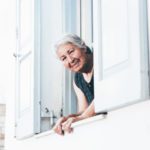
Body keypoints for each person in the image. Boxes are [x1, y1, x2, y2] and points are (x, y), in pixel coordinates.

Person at [53, 33, 95, 135]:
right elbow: (84, 111)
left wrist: (82, 117)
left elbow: (105, 95)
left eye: (71, 52)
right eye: (64, 58)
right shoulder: (77, 79)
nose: (70, 60)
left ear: (83, 47)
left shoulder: (101, 62)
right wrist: (68, 118)